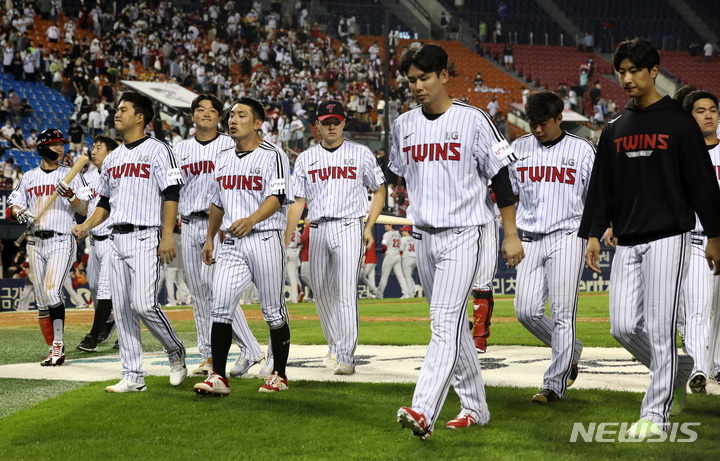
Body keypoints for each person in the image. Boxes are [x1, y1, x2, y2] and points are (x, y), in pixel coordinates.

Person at [579, 39, 720, 439]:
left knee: (659, 328)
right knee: (622, 327)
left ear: (654, 71)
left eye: (634, 70)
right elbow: (602, 186)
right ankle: (674, 369)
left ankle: (655, 415)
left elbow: (702, 184)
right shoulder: (616, 128)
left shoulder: (678, 122)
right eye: (621, 71)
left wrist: (714, 235)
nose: (626, 78)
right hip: (626, 238)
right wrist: (593, 233)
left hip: (669, 236)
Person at [391, 43, 523, 439]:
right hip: (425, 236)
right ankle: (475, 407)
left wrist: (511, 233)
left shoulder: (474, 119)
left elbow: (502, 176)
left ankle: (423, 408)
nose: (417, 86)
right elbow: (402, 173)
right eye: (411, 80)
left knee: (444, 322)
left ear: (444, 76)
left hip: (467, 232)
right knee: (453, 329)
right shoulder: (403, 125)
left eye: (424, 78)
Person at [71, 91, 188, 393]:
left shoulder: (159, 150)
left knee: (145, 304)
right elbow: (105, 203)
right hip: (114, 238)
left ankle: (175, 352)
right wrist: (85, 225)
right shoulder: (112, 159)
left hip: (147, 235)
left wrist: (167, 235)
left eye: (123, 109)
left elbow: (172, 193)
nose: (116, 113)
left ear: (140, 117)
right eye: (117, 109)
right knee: (121, 310)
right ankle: (133, 376)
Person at [193, 98, 293, 396]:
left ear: (258, 123)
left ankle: (279, 374)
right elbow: (216, 202)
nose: (233, 120)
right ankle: (218, 377)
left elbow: (277, 197)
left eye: (242, 115)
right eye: (232, 115)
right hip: (233, 242)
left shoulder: (273, 155)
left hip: (264, 237)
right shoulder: (223, 157)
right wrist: (210, 237)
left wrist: (251, 219)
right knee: (220, 306)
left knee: (273, 311)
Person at [284, 100, 386, 375]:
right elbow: (298, 201)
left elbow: (379, 190)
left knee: (344, 291)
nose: (331, 126)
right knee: (321, 293)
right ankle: (335, 344)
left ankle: (346, 355)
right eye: (326, 122)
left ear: (343, 123)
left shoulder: (361, 153)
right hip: (316, 228)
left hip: (349, 225)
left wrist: (369, 226)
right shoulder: (305, 158)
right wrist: (287, 233)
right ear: (317, 124)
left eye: (336, 121)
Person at [510, 91, 595, 403]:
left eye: (543, 123)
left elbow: (597, 197)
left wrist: (597, 234)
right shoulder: (518, 149)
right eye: (532, 123)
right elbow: (507, 193)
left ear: (560, 118)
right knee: (525, 311)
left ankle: (553, 385)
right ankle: (572, 348)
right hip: (529, 237)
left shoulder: (583, 149)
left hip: (568, 236)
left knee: (562, 313)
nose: (537, 129)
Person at [173, 94, 264, 377]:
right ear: (193, 116)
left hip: (221, 225)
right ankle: (209, 355)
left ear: (220, 117)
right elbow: (172, 191)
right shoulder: (180, 149)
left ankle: (249, 348)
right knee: (199, 294)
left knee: (217, 289)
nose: (207, 114)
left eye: (213, 110)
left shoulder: (230, 143)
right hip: (189, 223)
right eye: (200, 110)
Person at [7, 129, 89, 366]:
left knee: (53, 292)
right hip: (34, 241)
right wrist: (19, 212)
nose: (60, 149)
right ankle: (54, 349)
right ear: (43, 147)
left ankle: (58, 346)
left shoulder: (71, 174)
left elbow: (84, 209)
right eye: (55, 145)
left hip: (61, 239)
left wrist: (72, 196)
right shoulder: (30, 177)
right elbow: (12, 205)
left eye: (62, 145)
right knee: (42, 300)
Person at [679, 90, 720, 394]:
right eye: (700, 110)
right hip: (696, 241)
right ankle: (699, 369)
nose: (708, 115)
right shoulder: (681, 155)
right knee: (696, 310)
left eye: (713, 110)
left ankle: (715, 365)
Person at [76, 135, 118, 352]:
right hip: (94, 241)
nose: (93, 151)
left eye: (99, 147)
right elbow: (84, 208)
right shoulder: (89, 177)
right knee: (93, 287)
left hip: (113, 240)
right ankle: (111, 321)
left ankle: (92, 337)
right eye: (92, 147)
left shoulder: (118, 174)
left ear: (110, 153)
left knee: (105, 291)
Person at [377, 224, 409, 299]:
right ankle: (406, 294)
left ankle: (379, 295)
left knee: (384, 277)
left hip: (390, 255)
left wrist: (383, 253)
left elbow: (384, 246)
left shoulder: (387, 234)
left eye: (386, 225)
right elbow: (400, 246)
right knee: (400, 276)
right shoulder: (398, 234)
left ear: (391, 225)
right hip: (397, 255)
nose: (385, 226)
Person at [399, 225, 417, 297]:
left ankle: (410, 294)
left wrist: (399, 258)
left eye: (403, 230)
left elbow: (401, 250)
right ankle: (414, 289)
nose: (402, 231)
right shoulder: (414, 239)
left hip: (407, 257)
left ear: (407, 231)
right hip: (414, 257)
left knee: (407, 277)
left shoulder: (403, 239)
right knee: (409, 276)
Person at [286, 225, 302, 303]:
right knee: (293, 277)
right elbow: (299, 240)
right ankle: (295, 298)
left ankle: (293, 299)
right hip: (294, 251)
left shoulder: (284, 225)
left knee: (284, 277)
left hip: (287, 250)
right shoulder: (295, 227)